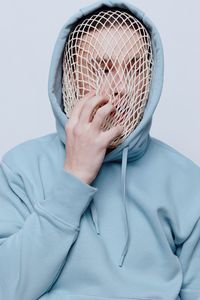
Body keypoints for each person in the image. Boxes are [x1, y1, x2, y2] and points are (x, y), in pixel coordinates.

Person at [0, 1, 199, 300]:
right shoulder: (20, 168)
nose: (120, 87)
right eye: (102, 68)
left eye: (134, 69)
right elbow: (7, 289)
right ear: (68, 75)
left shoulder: (186, 179)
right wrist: (75, 178)